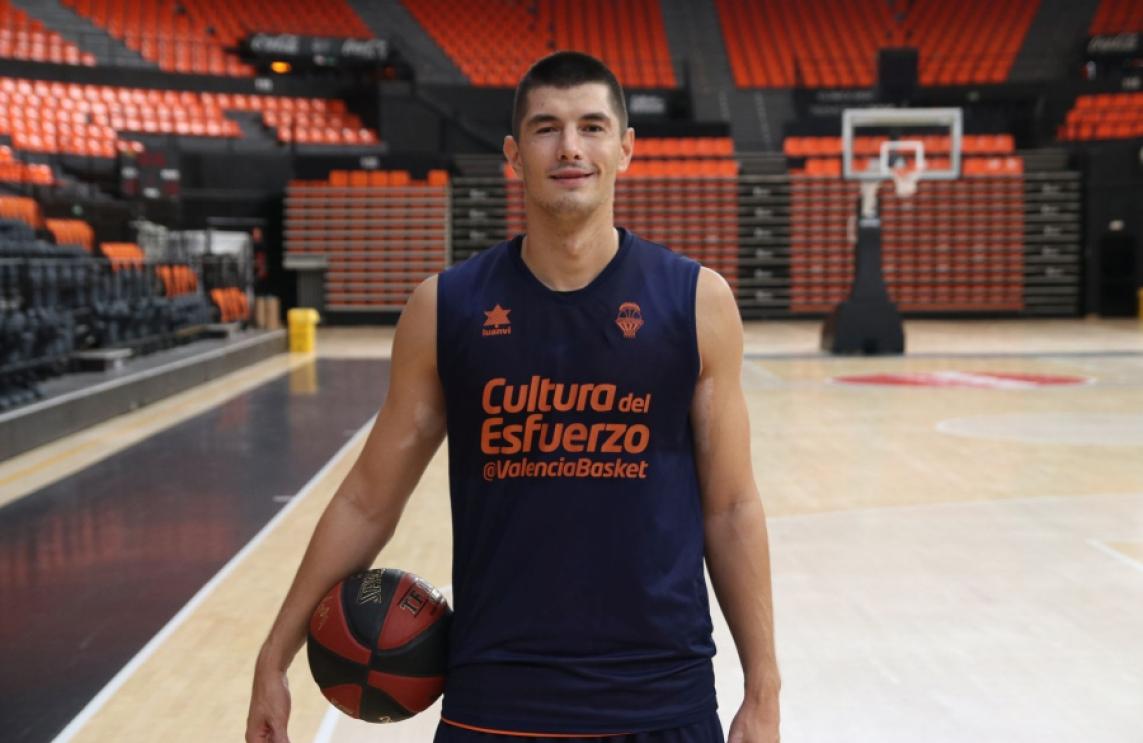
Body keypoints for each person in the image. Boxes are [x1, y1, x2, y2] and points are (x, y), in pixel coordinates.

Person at [246, 51, 780, 743]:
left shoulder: (697, 302)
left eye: (591, 127)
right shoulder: (445, 308)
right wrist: (274, 654)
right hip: (494, 702)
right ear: (513, 154)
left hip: (661, 697)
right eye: (545, 128)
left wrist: (762, 687)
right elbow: (366, 500)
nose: (570, 148)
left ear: (625, 148)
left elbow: (731, 508)